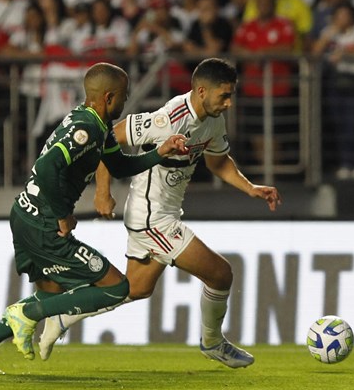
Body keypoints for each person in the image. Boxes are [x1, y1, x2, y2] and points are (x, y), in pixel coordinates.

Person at [37, 58, 282, 368]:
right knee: (220, 273)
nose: (229, 103)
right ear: (202, 91)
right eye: (224, 95)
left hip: (163, 213)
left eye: (231, 95)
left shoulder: (213, 120)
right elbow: (108, 136)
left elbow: (218, 162)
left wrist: (250, 188)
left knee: (134, 288)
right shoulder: (170, 118)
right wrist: (102, 190)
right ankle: (212, 343)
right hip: (152, 218)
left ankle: (62, 315)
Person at [0, 62, 189, 374]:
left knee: (49, 294)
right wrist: (63, 214)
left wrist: (160, 152)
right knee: (117, 287)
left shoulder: (95, 125)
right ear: (108, 97)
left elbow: (118, 167)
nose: (125, 100)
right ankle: (26, 313)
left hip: (25, 213)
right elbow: (50, 166)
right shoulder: (86, 129)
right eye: (123, 95)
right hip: (44, 223)